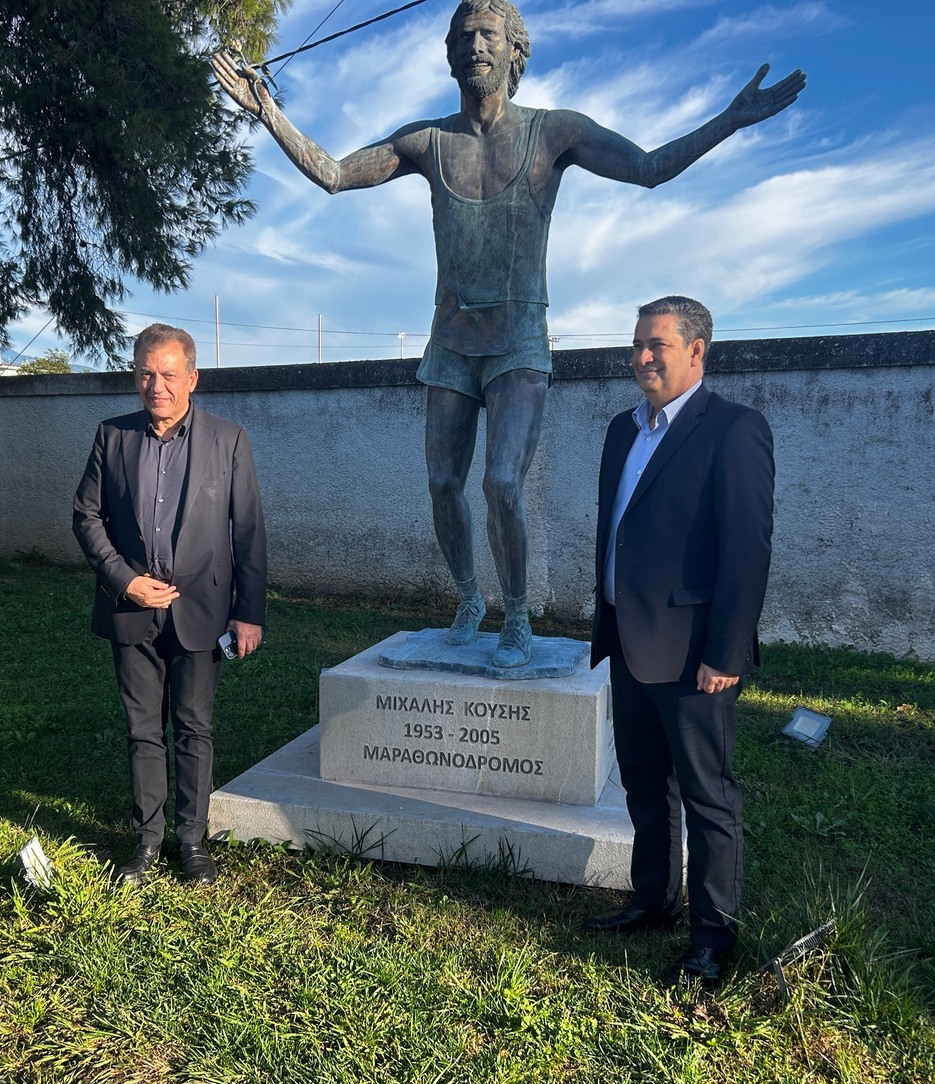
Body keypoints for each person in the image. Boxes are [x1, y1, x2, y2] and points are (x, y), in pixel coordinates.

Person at [212, 0, 801, 668]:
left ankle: (517, 615)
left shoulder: (553, 133)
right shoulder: (427, 141)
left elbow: (648, 167)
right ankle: (469, 598)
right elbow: (335, 174)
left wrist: (728, 120)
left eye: (489, 34)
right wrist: (268, 111)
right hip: (450, 344)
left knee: (501, 482)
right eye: (464, 35)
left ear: (515, 51)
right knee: (443, 483)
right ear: (450, 53)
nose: (476, 46)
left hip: (519, 342)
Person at [585, 296, 774, 987]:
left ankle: (713, 940)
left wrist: (726, 652)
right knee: (644, 784)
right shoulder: (622, 430)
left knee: (707, 798)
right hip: (629, 642)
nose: (641, 357)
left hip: (694, 654)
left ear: (697, 351)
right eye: (636, 344)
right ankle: (653, 899)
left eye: (656, 345)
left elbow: (747, 551)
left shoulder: (734, 430)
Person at [73, 323, 267, 886]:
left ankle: (192, 841)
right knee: (142, 730)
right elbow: (86, 516)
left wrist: (249, 611)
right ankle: (147, 840)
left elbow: (248, 530)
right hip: (131, 607)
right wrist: (124, 581)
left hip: (202, 610)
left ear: (192, 379)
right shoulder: (112, 436)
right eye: (145, 374)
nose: (156, 386)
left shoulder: (228, 440)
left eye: (168, 375)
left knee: (193, 727)